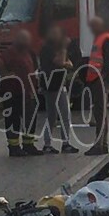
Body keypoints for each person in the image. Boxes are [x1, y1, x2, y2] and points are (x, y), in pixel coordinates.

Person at [0, 30, 43, 157]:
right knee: (13, 119)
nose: (27, 43)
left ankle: (28, 145)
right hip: (12, 92)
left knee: (30, 119)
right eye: (24, 40)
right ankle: (14, 147)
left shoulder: (29, 52)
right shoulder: (10, 52)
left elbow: (35, 69)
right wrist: (5, 74)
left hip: (28, 91)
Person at [39, 26, 79, 154]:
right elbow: (61, 62)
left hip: (59, 84)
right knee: (52, 115)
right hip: (51, 85)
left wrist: (65, 60)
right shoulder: (48, 49)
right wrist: (64, 48)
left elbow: (70, 64)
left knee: (65, 114)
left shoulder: (55, 49)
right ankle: (47, 144)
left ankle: (65, 143)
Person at [85, 17, 109, 156]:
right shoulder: (101, 38)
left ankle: (99, 145)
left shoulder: (105, 39)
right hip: (98, 80)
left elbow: (108, 60)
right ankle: (102, 145)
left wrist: (102, 78)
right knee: (100, 114)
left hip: (100, 80)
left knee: (100, 114)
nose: (91, 29)